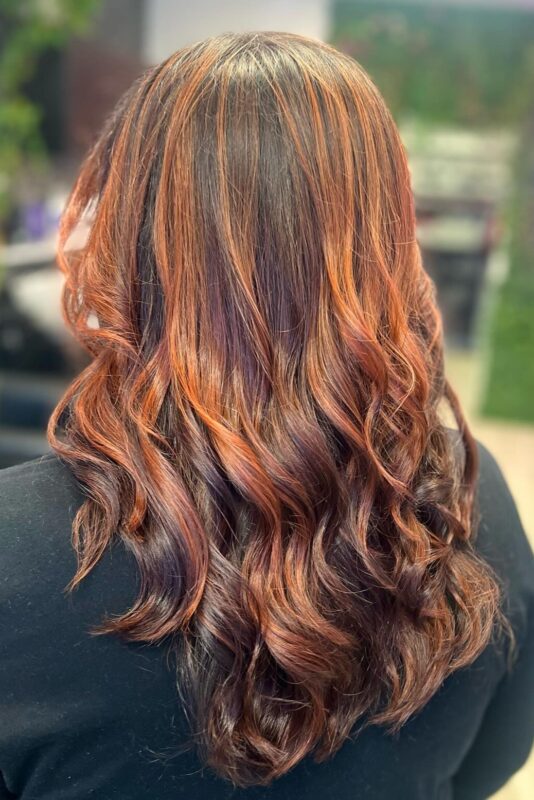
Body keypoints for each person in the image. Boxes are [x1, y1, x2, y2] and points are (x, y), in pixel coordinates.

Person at [0, 31, 533, 800]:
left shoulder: (15, 558)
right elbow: (489, 766)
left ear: (124, 233)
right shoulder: (474, 514)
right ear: (387, 240)